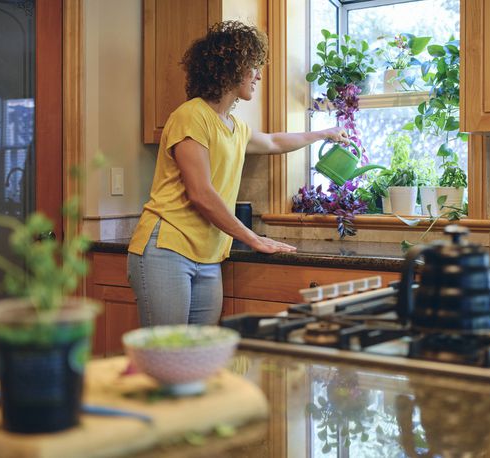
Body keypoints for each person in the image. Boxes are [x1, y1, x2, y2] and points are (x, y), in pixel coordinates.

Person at [127, 21, 347, 327]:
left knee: (200, 358)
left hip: (208, 256)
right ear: (230, 67)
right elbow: (200, 193)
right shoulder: (191, 116)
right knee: (167, 356)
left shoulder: (234, 126)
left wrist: (324, 133)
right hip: (166, 248)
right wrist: (252, 238)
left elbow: (274, 141)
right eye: (253, 66)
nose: (258, 75)